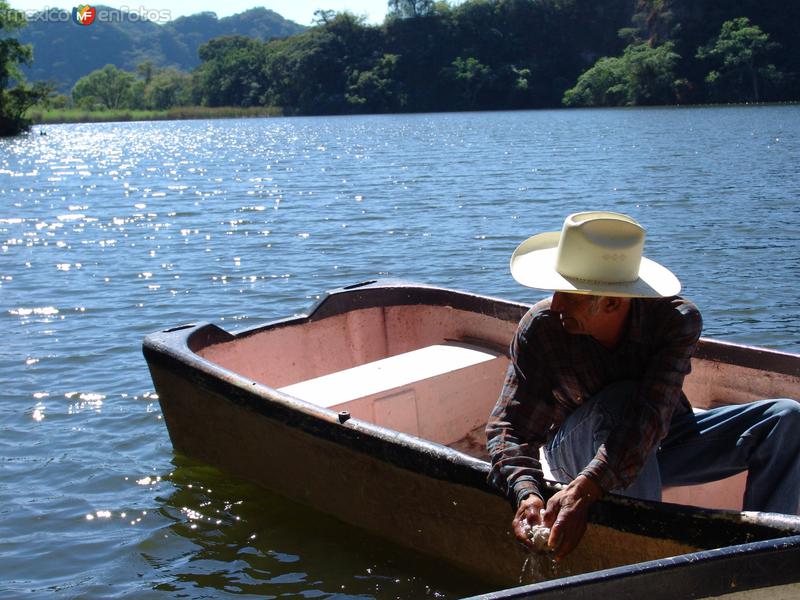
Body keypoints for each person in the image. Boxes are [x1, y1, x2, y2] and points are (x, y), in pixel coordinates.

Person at [486, 211, 800, 561]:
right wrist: (527, 492)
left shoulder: (675, 322)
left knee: (786, 418)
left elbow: (649, 418)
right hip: (573, 453)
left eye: (570, 295)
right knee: (618, 403)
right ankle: (644, 560)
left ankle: (766, 554)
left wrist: (586, 492)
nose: (556, 303)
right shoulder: (541, 329)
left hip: (656, 441)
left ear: (611, 302)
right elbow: (509, 428)